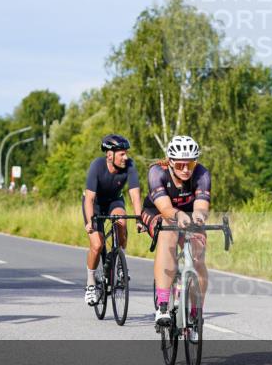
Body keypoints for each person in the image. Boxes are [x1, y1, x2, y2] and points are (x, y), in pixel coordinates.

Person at [139, 135, 211, 327]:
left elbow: (202, 206)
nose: (186, 170)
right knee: (168, 233)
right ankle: (162, 304)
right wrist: (179, 216)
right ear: (170, 162)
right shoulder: (157, 172)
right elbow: (165, 209)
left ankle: (197, 310)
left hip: (187, 214)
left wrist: (198, 218)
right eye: (180, 165)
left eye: (191, 164)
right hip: (157, 212)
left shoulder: (202, 173)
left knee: (198, 251)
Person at [82, 134, 143, 305]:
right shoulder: (97, 166)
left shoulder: (130, 166)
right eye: (122, 154)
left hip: (114, 201)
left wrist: (139, 219)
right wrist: (89, 222)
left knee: (122, 222)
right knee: (97, 244)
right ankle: (91, 284)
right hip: (95, 205)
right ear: (110, 155)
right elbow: (89, 199)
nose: (126, 157)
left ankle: (120, 263)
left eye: (126, 153)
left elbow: (134, 195)